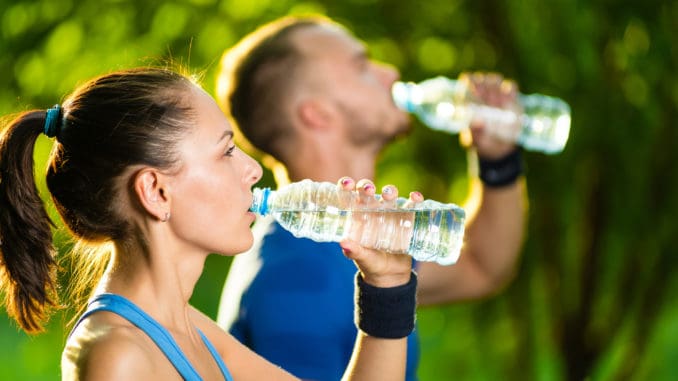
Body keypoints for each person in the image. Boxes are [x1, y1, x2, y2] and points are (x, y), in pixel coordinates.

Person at [0, 67, 421, 380]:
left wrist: (386, 285)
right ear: (155, 192)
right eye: (226, 152)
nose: (254, 170)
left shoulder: (188, 327)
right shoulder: (119, 357)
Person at [215, 15, 528, 381]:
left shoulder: (347, 238)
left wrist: (498, 160)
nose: (390, 73)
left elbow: (481, 268)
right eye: (361, 66)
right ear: (317, 113)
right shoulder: (297, 279)